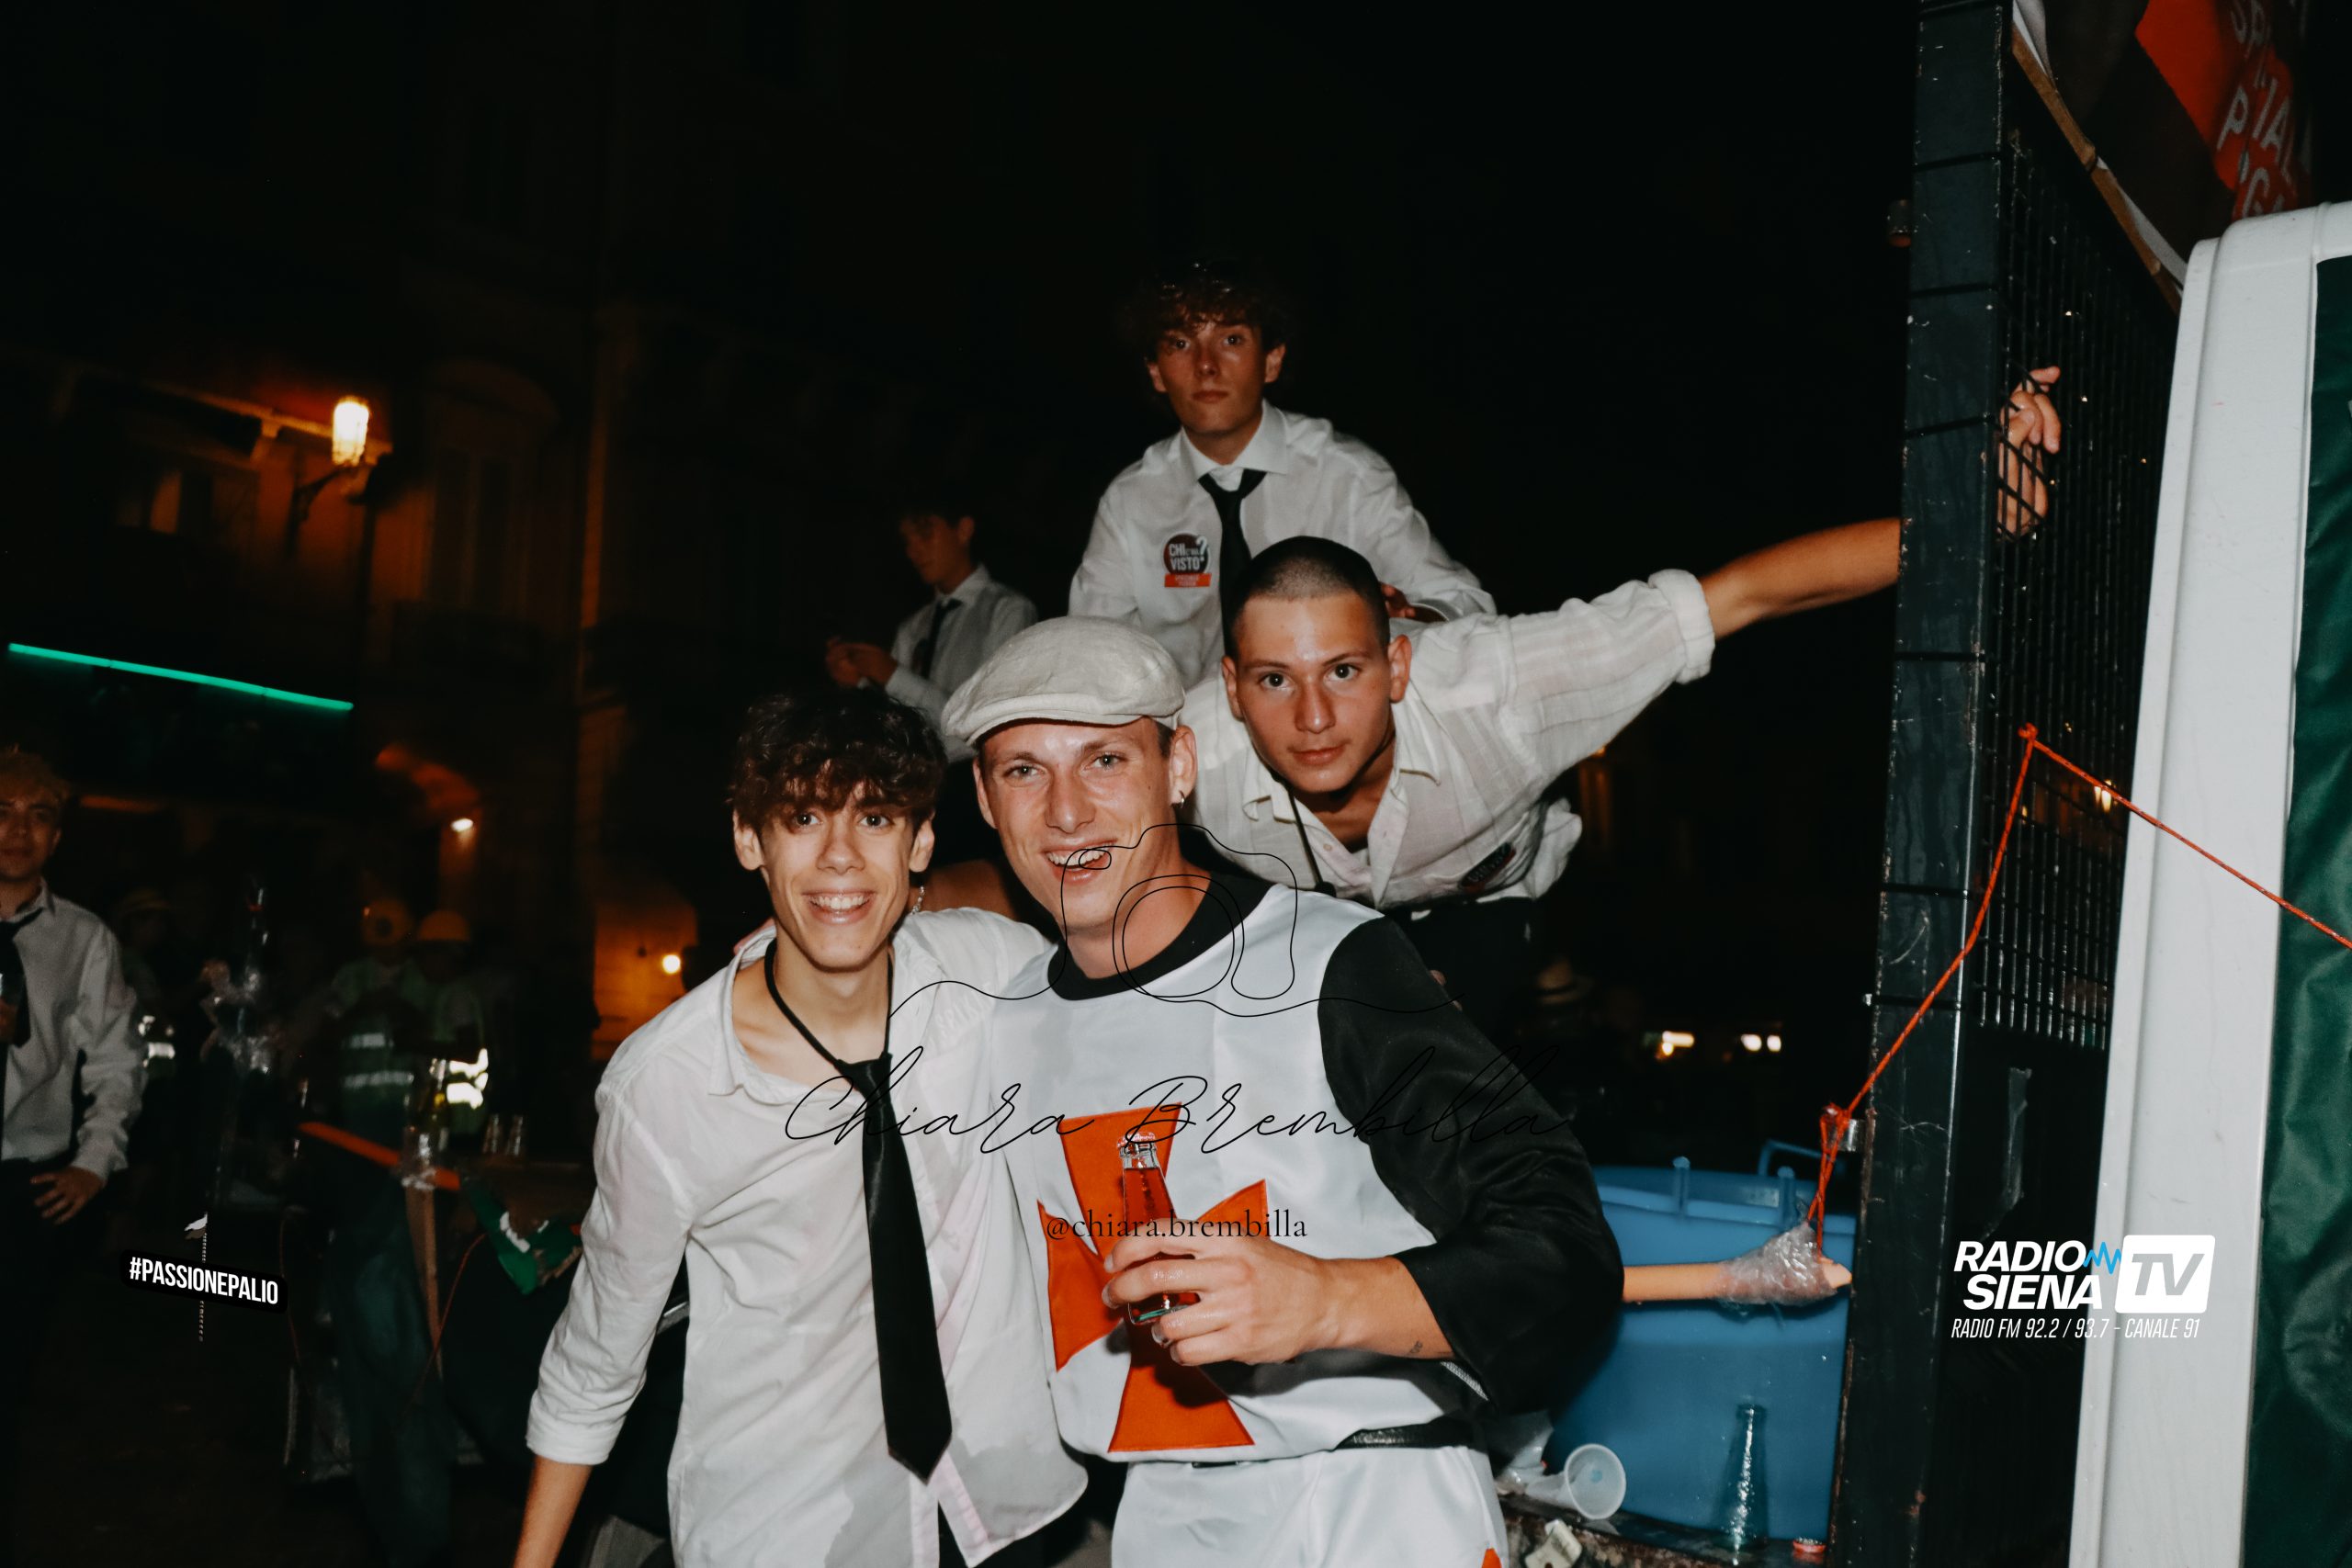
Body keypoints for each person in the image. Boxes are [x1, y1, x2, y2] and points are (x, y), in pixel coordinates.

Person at [941, 619, 1621, 1568]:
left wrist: (1327, 1299)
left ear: (1179, 766)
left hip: (1372, 1508)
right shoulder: (1004, 1021)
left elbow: (1565, 1253)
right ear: (984, 797)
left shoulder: (1330, 961)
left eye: (1105, 760)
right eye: (1024, 770)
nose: (1065, 811)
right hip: (1156, 1522)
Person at [1182, 369, 2070, 1038]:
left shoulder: (1503, 687)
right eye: (1274, 681)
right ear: (1230, 688)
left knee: (1427, 1059)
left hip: (1481, 904)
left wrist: (1971, 516)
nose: (1312, 720)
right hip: (1309, 916)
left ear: (1399, 667)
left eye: (1343, 672)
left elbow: (1745, 594)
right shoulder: (1187, 749)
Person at [516, 687, 1080, 1568]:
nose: (840, 856)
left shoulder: (994, 974)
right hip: (787, 1527)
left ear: (920, 841)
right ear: (751, 839)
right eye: (804, 818)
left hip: (1005, 1508)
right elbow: (594, 1362)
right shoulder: (669, 1083)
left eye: (876, 818)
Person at [1068, 263, 1492, 685]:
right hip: (1183, 720)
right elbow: (1090, 650)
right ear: (1156, 371)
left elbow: (1465, 603)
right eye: (1180, 343)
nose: (1206, 365)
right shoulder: (1130, 500)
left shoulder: (1345, 475)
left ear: (1271, 360)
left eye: (1231, 339)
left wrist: (1412, 616)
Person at [0, 750, 142, 1568]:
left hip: (22, 1186)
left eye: (38, 815)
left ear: (56, 837)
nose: (18, 830)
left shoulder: (84, 937)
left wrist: (95, 1160)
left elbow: (117, 1059)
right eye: (2, 810)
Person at [830, 502, 1042, 868]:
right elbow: (896, 722)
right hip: (913, 786)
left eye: (925, 534)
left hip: (970, 791)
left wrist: (892, 675)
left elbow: (979, 722)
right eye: (907, 541)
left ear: (963, 530)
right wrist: (860, 683)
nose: (915, 551)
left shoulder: (1007, 611)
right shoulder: (914, 625)